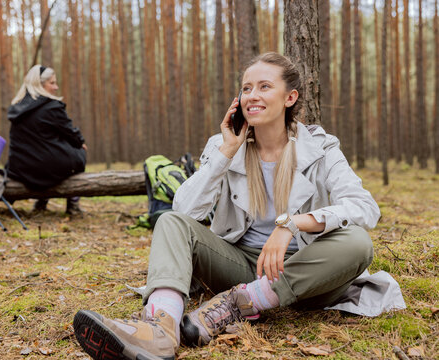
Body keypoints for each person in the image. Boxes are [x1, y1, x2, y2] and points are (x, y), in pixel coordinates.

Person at [72, 52, 381, 360]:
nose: (252, 96)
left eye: (264, 87)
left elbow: (364, 207)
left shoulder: (321, 147)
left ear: (290, 97)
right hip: (243, 265)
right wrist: (226, 153)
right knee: (170, 222)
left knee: (357, 242)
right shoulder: (224, 147)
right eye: (246, 88)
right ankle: (160, 330)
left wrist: (292, 224)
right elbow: (184, 212)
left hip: (311, 272)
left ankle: (239, 303)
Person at [7, 65, 87, 215]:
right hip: (45, 167)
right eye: (52, 83)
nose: (56, 87)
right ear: (40, 84)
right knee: (80, 154)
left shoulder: (17, 107)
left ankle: (41, 202)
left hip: (20, 168)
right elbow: (70, 133)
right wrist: (80, 143)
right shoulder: (52, 107)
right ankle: (73, 204)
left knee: (49, 155)